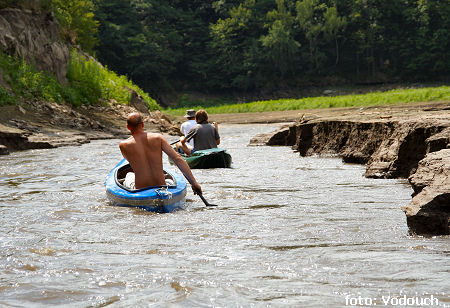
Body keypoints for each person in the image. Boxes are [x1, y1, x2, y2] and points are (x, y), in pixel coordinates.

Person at [119, 112, 202, 195]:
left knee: (129, 175)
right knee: (169, 180)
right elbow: (177, 158)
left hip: (140, 189)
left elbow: (130, 161)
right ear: (143, 124)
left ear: (128, 127)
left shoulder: (123, 145)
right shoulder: (158, 137)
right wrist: (194, 183)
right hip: (161, 186)